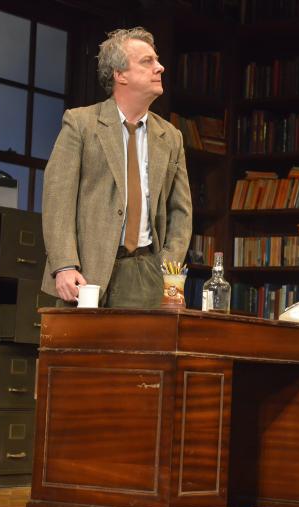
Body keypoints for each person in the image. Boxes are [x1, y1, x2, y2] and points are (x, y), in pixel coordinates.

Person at [41, 27, 192, 308]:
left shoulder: (170, 136)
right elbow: (57, 198)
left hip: (147, 273)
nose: (160, 67)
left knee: (144, 353)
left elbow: (181, 210)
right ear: (119, 74)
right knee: (80, 352)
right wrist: (63, 265)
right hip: (85, 275)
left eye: (156, 60)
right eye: (147, 61)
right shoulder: (81, 123)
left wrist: (168, 265)